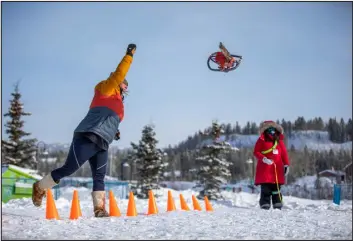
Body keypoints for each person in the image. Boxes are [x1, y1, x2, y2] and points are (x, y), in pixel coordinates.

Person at [32, 43, 137, 217]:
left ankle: (99, 209)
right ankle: (40, 187)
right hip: (88, 135)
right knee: (69, 168)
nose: (125, 89)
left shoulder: (118, 104)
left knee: (99, 175)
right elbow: (120, 74)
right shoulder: (105, 88)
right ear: (118, 83)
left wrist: (115, 131)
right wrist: (129, 56)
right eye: (124, 85)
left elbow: (112, 120)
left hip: (103, 141)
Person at [253, 120, 290, 210]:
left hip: (277, 169)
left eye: (273, 128)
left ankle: (277, 202)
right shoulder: (261, 140)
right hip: (264, 169)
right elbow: (256, 152)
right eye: (269, 128)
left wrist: (286, 164)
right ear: (265, 130)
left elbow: (284, 153)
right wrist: (264, 159)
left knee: (276, 188)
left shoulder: (279, 140)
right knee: (266, 188)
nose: (272, 131)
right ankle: (265, 203)